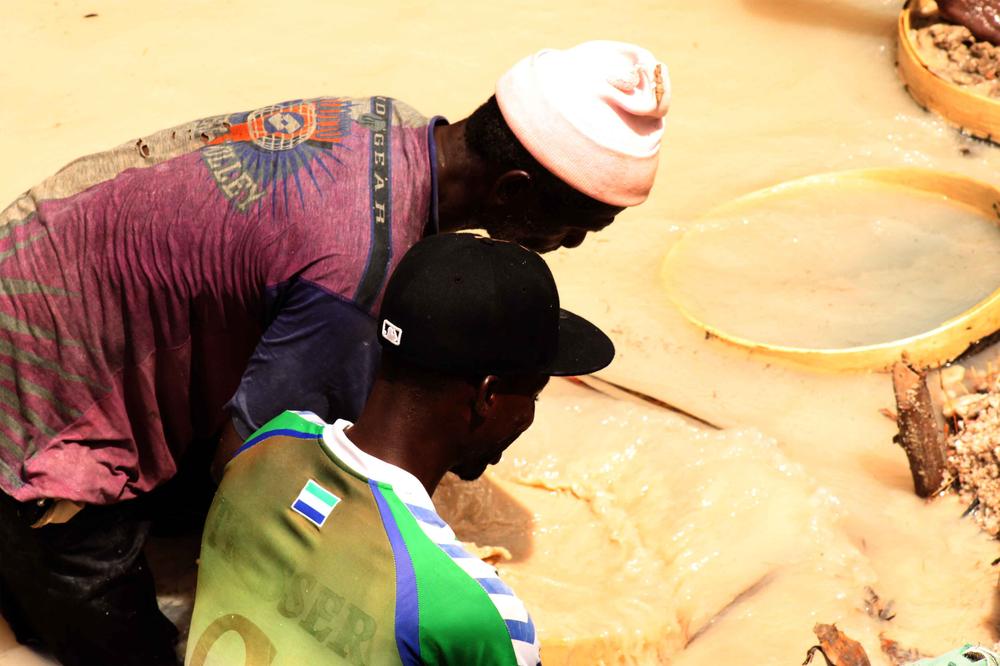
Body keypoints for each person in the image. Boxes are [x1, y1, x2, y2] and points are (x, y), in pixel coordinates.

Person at [0, 40, 668, 665]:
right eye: (579, 223)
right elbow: (252, 468)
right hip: (44, 406)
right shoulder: (357, 271)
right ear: (513, 189)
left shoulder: (385, 125)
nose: (574, 243)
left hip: (35, 260)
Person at [185, 232, 615, 666]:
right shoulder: (482, 617)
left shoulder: (265, 446)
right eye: (533, 397)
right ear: (489, 396)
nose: (529, 416)